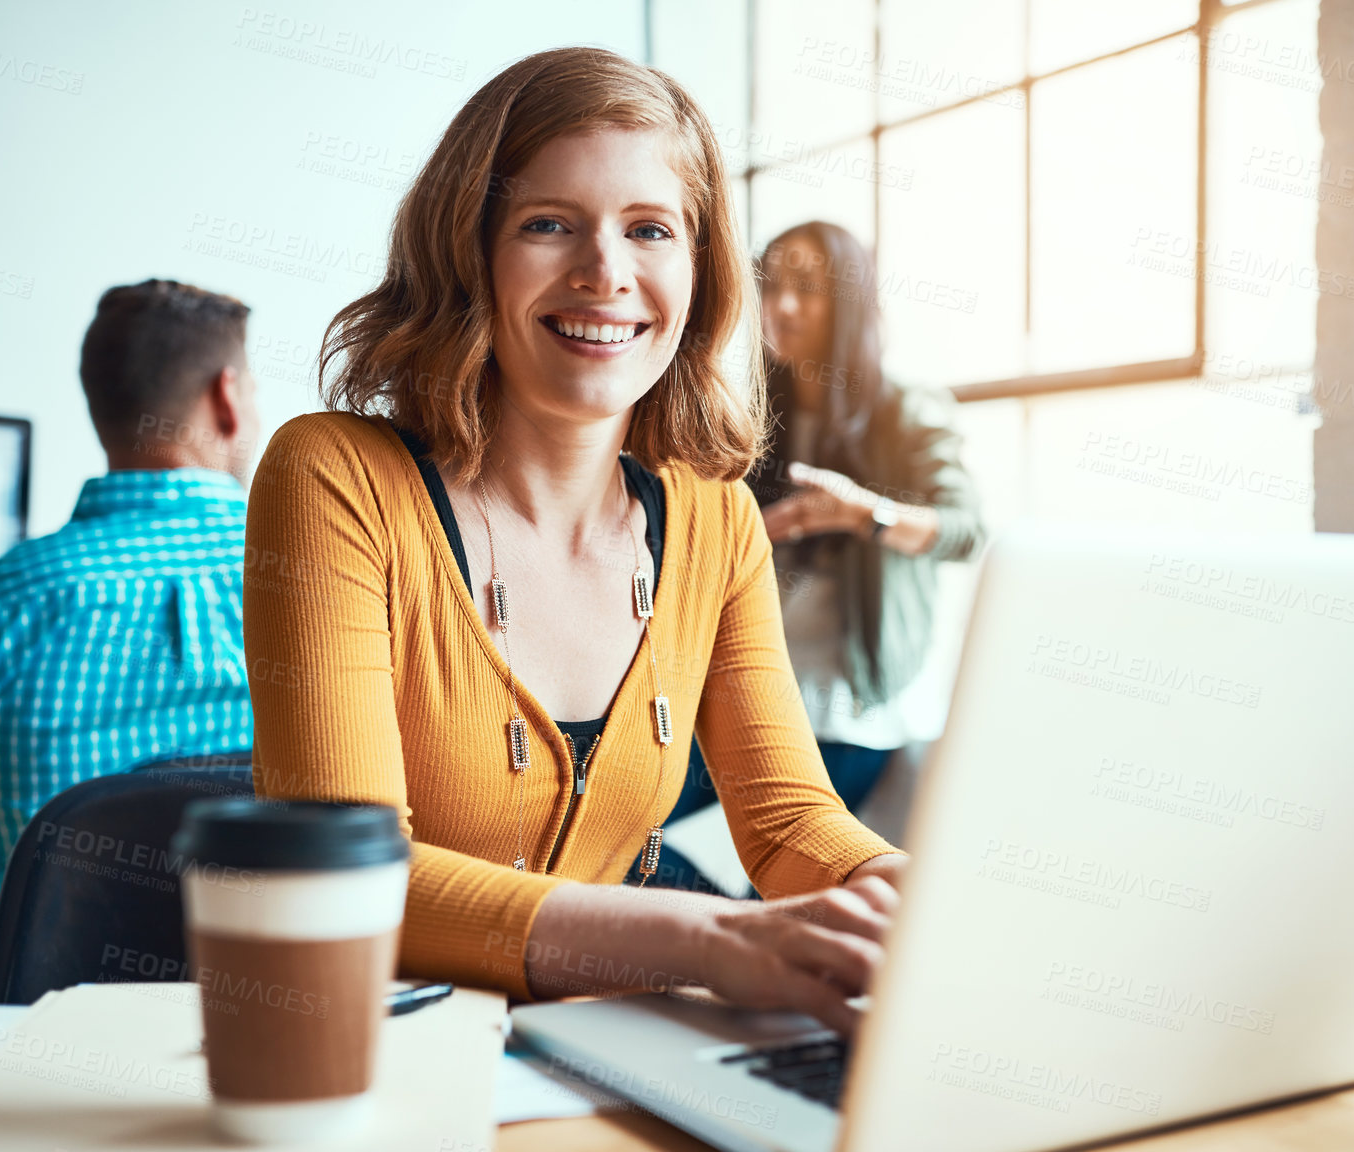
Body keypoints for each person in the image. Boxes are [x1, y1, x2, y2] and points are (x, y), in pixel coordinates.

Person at [244, 47, 904, 1033]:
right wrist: (711, 940)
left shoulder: (713, 514)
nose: (606, 274)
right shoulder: (335, 477)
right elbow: (350, 877)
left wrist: (922, 904)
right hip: (394, 1062)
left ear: (697, 268)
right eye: (547, 225)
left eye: (650, 229)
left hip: (611, 1053)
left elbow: (787, 821)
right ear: (467, 252)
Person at [0, 279, 262, 1021]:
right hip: (262, 1015)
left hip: (12, 1034)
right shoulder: (337, 590)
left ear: (101, 408)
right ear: (228, 397)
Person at [650, 222, 987, 893]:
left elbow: (965, 530)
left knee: (779, 892)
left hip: (848, 712)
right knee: (625, 835)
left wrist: (866, 514)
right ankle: (728, 929)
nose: (782, 305)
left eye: (807, 288)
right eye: (772, 285)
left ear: (852, 302)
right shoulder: (747, 414)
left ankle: (738, 930)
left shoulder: (907, 411)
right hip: (740, 696)